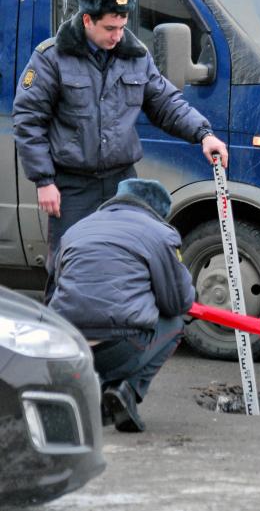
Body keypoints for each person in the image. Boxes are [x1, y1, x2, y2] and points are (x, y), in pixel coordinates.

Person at [12, 0, 227, 302]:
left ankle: (116, 342)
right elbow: (29, 121)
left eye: (122, 26)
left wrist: (203, 134)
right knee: (70, 267)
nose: (118, 35)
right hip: (72, 185)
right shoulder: (52, 58)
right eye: (110, 28)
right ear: (87, 20)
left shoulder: (135, 55)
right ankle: (64, 346)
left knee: (128, 260)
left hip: (121, 182)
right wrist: (43, 180)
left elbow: (166, 104)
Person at [49, 178, 195, 433]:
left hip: (68, 347)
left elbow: (58, 283)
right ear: (156, 212)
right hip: (120, 345)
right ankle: (126, 390)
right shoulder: (160, 234)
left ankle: (90, 391)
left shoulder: (76, 229)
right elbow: (178, 302)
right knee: (176, 322)